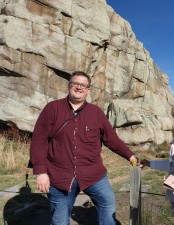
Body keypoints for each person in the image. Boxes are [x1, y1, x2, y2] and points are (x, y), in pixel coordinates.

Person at [30, 71, 138, 225]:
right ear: (69, 86)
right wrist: (41, 172)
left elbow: (111, 139)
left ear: (88, 90)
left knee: (107, 205)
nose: (79, 87)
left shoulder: (96, 113)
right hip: (59, 176)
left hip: (93, 174)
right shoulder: (52, 109)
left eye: (83, 85)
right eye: (76, 83)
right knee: (59, 221)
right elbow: (38, 141)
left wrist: (130, 156)